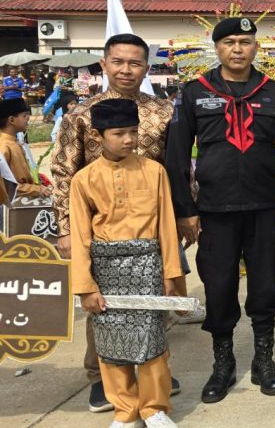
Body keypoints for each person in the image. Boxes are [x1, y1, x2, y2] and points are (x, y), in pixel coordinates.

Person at [50, 34, 180, 413]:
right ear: (104, 64)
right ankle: (99, 378)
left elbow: (176, 166)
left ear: (146, 68)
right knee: (102, 307)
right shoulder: (81, 114)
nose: (126, 70)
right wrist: (65, 229)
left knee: (155, 303)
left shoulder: (163, 112)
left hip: (152, 222)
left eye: (135, 63)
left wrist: (184, 216)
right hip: (99, 225)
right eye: (118, 62)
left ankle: (153, 372)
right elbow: (63, 172)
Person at [165, 17, 275, 404]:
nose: (238, 49)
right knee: (219, 287)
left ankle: (264, 360)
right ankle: (223, 364)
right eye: (230, 42)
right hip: (214, 210)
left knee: (266, 284)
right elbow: (176, 156)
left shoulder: (274, 93)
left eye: (245, 42)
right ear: (217, 48)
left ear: (256, 48)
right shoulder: (194, 93)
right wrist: (185, 210)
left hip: (264, 207)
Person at [70, 98, 182, 428]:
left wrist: (172, 274)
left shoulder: (154, 171)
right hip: (105, 270)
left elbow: (166, 226)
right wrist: (85, 286)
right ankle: (125, 410)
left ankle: (154, 408)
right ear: (98, 136)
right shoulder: (84, 180)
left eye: (133, 131)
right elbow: (80, 237)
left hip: (148, 265)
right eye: (119, 133)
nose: (129, 139)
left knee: (151, 337)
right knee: (111, 341)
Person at [0, 98, 49, 199]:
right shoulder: (4, 146)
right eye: (24, 115)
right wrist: (36, 189)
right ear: (11, 120)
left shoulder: (14, 143)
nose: (28, 118)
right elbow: (6, 186)